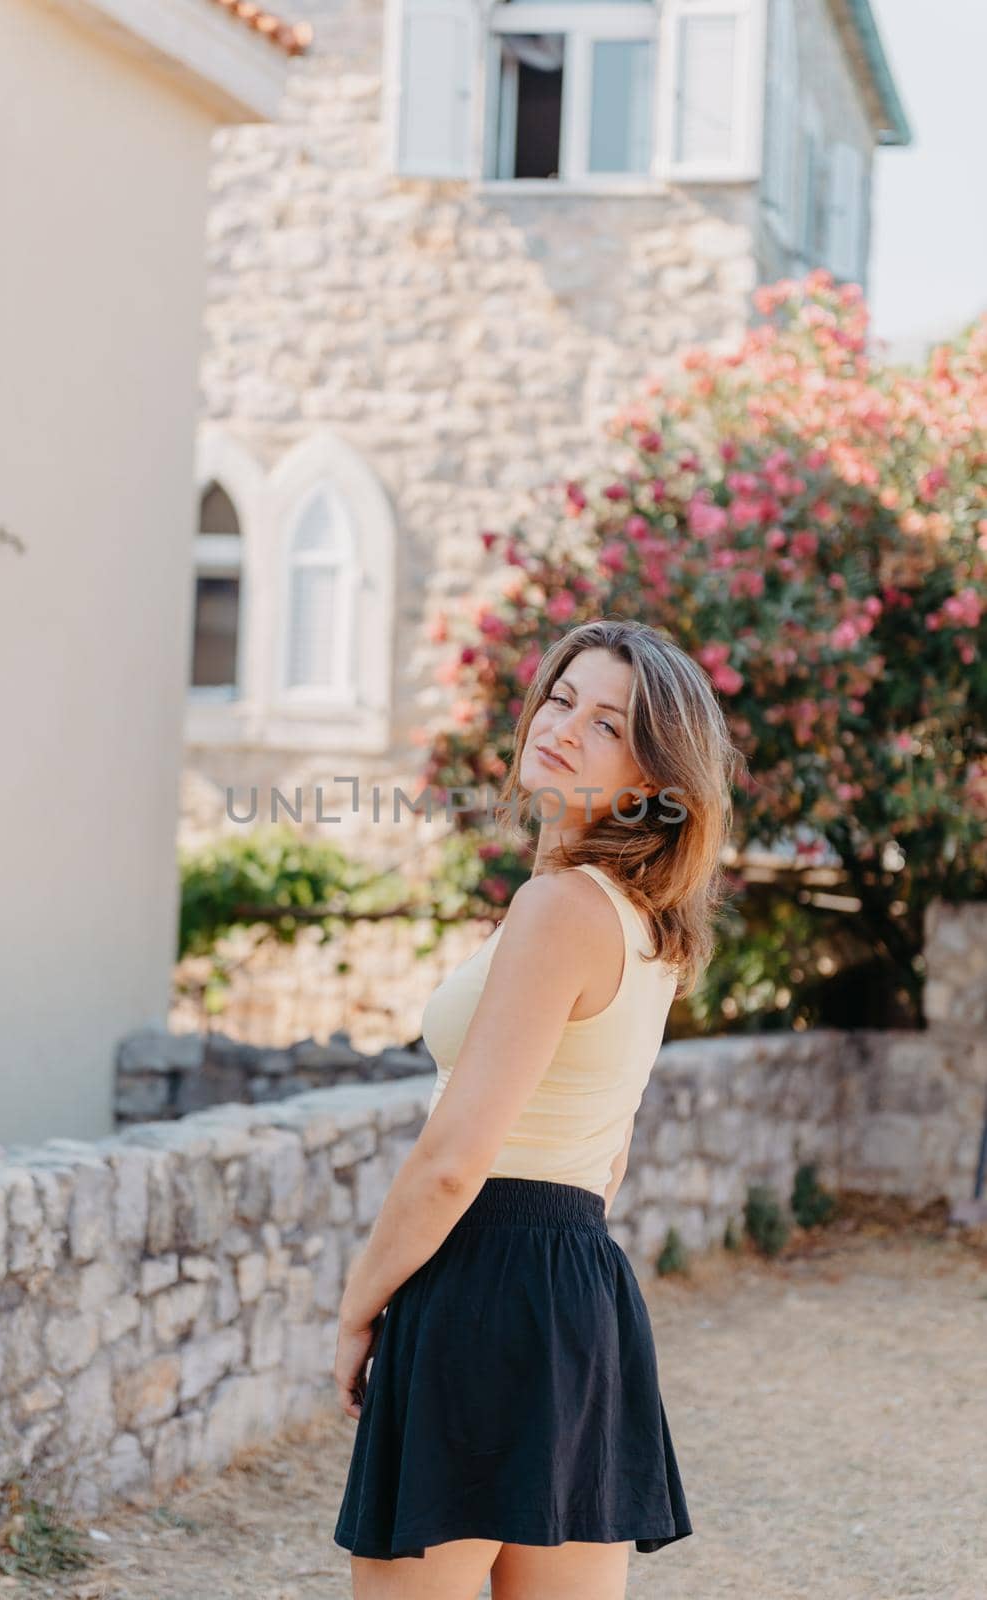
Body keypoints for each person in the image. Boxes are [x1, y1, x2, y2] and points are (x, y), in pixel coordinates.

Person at [332, 617, 743, 1599]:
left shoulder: (560, 910)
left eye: (607, 724)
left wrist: (359, 1310)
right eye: (562, 697)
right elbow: (606, 1157)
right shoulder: (645, 926)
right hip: (581, 1291)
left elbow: (451, 1160)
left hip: (481, 1278)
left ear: (650, 781)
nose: (562, 724)